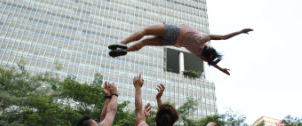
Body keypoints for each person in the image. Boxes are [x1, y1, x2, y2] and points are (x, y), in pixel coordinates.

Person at [108, 24, 253, 75]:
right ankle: (125, 51)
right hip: (172, 41)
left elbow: (223, 37)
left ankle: (123, 43)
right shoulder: (199, 53)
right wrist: (222, 70)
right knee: (145, 42)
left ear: (210, 47)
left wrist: (240, 31)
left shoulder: (203, 39)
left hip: (174, 31)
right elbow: (211, 63)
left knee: (145, 31)